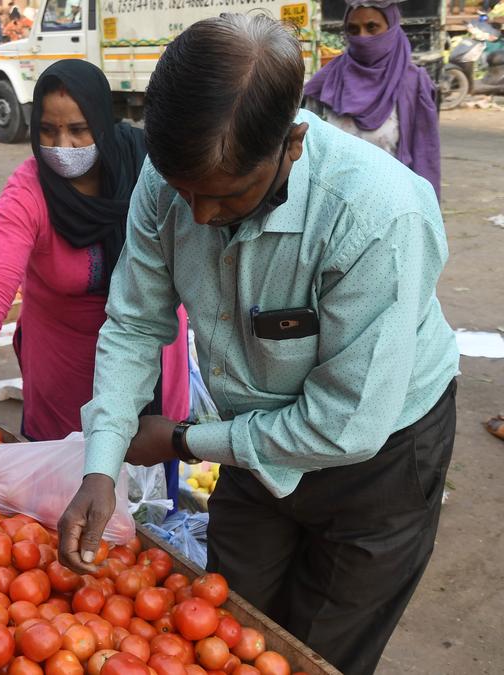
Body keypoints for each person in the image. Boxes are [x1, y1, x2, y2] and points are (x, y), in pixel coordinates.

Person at [56, 15, 458, 675]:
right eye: (187, 195)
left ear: (293, 144)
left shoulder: (375, 216)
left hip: (380, 452)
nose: (203, 217)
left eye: (227, 198)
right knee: (226, 613)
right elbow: (133, 322)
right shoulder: (170, 185)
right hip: (249, 430)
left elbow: (345, 425)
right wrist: (100, 464)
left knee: (319, 646)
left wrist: (183, 440)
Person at [0, 59, 189, 452]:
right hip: (65, 376)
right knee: (68, 492)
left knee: (147, 484)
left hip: (151, 365)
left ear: (102, 123)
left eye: (77, 130)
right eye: (47, 131)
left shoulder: (147, 168)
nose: (61, 146)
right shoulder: (29, 190)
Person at [303, 0, 440, 196]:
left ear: (391, 27)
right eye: (353, 29)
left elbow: (426, 159)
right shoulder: (327, 81)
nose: (362, 37)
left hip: (391, 205)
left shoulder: (413, 84)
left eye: (372, 27)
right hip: (332, 207)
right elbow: (306, 149)